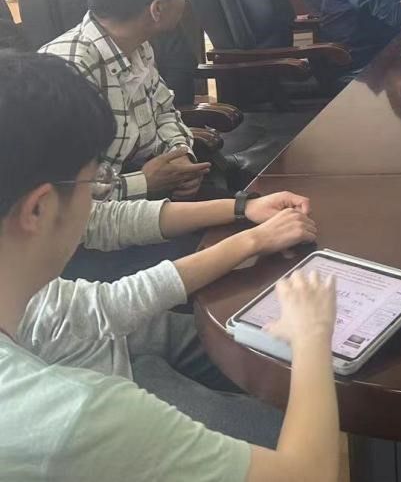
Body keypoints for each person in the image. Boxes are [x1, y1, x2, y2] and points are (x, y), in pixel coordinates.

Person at [0, 52, 340, 481]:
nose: (97, 204)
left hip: (113, 357)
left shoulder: (27, 293)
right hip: (113, 404)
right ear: (38, 209)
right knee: (318, 419)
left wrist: (244, 218)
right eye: (96, 185)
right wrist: (311, 338)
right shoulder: (71, 417)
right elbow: (309, 475)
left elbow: (104, 304)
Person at [41, 0, 212, 201]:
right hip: (99, 216)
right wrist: (143, 182)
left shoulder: (138, 45)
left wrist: (180, 155)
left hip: (150, 192)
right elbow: (67, 196)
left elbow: (164, 112)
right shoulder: (67, 71)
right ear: (157, 9)